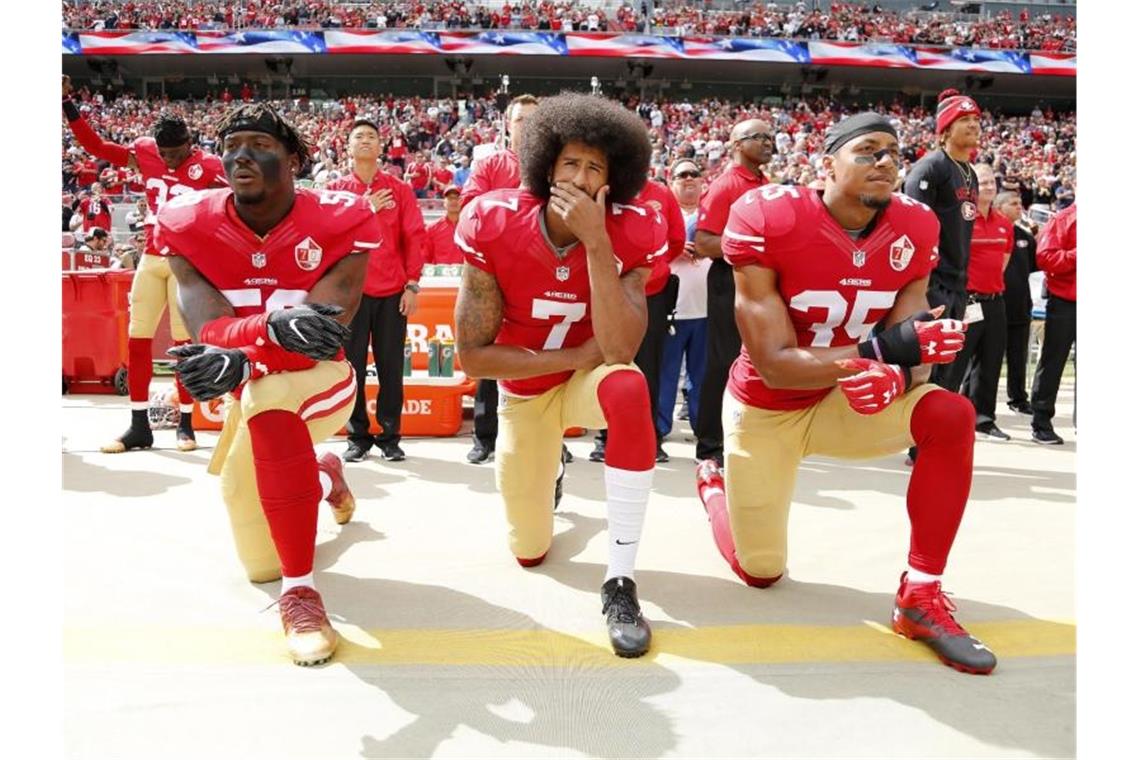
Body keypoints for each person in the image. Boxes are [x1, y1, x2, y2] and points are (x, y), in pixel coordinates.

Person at [698, 112, 994, 675]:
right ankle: (713, 488)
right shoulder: (768, 214)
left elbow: (913, 344)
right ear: (824, 163)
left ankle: (921, 595)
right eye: (866, 150)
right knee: (760, 572)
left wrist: (902, 375)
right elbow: (776, 365)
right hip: (770, 406)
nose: (884, 161)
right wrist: (884, 356)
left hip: (845, 400)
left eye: (892, 151)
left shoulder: (916, 225)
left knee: (951, 414)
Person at [160, 103, 380, 666]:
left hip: (320, 380)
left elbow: (318, 332)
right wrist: (260, 335)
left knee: (270, 400)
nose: (240, 155)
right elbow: (206, 325)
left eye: (258, 143)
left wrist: (244, 351)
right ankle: (323, 473)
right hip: (253, 384)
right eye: (231, 144)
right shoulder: (188, 219)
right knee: (259, 558)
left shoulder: (341, 215)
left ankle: (300, 592)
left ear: (294, 159)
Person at [453, 93, 667, 658]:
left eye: (595, 167)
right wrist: (573, 358)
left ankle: (620, 581)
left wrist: (597, 241)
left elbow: (619, 350)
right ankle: (548, 475)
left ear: (613, 180)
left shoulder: (634, 230)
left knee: (629, 384)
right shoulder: (493, 219)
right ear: (545, 166)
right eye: (570, 162)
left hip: (587, 386)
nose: (580, 176)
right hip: (525, 393)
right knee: (529, 549)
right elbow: (473, 357)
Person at [62, 75, 228, 454]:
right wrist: (68, 104)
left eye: (176, 153)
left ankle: (186, 422)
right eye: (164, 153)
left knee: (184, 342)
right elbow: (96, 146)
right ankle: (139, 425)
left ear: (190, 143)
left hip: (187, 263)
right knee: (137, 338)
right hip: (151, 257)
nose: (169, 159)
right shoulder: (146, 151)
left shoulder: (212, 167)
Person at [328, 118, 426, 463]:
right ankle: (357, 435)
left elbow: (415, 238)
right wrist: (364, 207)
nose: (366, 141)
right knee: (350, 368)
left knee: (389, 368)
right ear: (348, 147)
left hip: (390, 292)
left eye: (371, 136)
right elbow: (330, 236)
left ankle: (390, 435)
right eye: (359, 137)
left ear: (381, 147)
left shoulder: (399, 190)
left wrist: (412, 283)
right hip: (351, 296)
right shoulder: (338, 190)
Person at [460, 94, 540, 466]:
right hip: (494, 274)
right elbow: (470, 208)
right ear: (508, 125)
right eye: (520, 119)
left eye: (532, 119)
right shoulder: (492, 163)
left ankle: (551, 436)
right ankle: (485, 435)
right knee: (488, 353)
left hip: (538, 273)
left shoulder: (553, 165)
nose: (525, 125)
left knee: (540, 355)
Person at [902, 88, 981, 462]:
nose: (974, 127)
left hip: (959, 283)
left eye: (977, 120)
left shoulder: (970, 173)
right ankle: (917, 441)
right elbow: (911, 222)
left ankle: (932, 438)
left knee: (949, 363)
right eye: (966, 121)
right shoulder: (931, 167)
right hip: (932, 282)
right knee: (924, 363)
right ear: (946, 129)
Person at [692, 117, 774, 469]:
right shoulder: (726, 185)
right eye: (760, 137)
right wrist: (748, 247)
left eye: (771, 137)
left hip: (760, 281)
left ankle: (744, 432)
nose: (769, 142)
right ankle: (710, 445)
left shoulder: (764, 183)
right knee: (723, 361)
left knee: (756, 358)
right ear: (737, 144)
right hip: (730, 279)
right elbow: (703, 241)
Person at [588, 171, 684, 464]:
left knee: (648, 368)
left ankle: (649, 438)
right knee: (606, 364)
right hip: (606, 291)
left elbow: (675, 240)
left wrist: (650, 268)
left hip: (651, 293)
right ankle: (605, 436)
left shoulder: (662, 194)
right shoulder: (602, 191)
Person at [941, 164, 1014, 440]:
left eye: (992, 183)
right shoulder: (961, 220)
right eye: (983, 182)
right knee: (955, 365)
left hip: (994, 301)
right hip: (966, 303)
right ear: (971, 187)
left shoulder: (1005, 224)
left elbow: (1002, 263)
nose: (989, 187)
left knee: (991, 363)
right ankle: (945, 418)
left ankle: (983, 419)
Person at [657, 158, 709, 440]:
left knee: (703, 376)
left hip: (707, 309)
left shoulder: (712, 214)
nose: (689, 179)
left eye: (694, 174)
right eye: (682, 175)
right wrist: (673, 249)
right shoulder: (663, 213)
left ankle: (704, 429)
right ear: (671, 181)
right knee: (666, 374)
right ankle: (660, 429)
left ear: (703, 181)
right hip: (672, 309)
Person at [1030, 202, 1076, 445]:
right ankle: (1041, 422)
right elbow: (1045, 258)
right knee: (1053, 360)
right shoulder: (1063, 220)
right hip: (1066, 302)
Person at [998, 191, 1037, 415]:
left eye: (1020, 203)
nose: (1018, 207)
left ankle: (1018, 399)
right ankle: (975, 400)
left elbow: (1033, 268)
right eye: (1013, 203)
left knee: (1018, 356)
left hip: (1020, 305)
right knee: (984, 360)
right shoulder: (987, 233)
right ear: (999, 207)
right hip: (994, 305)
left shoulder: (1025, 238)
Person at [422, 184, 464, 265]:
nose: (453, 201)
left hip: (466, 276)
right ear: (444, 202)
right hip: (441, 276)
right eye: (450, 198)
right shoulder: (432, 229)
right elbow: (425, 257)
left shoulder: (471, 228)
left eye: (457, 198)